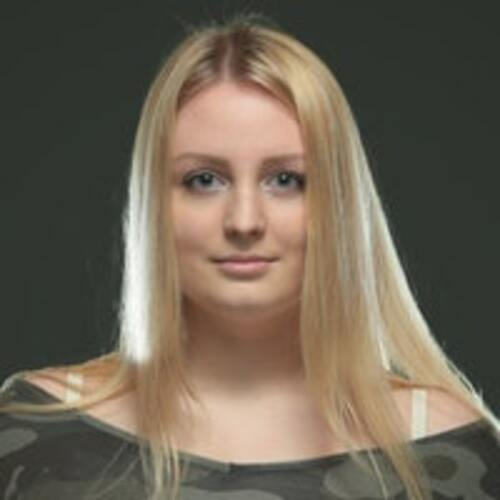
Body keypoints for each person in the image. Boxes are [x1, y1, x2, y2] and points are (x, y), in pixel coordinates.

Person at [1, 13, 499, 500]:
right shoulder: (35, 431)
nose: (244, 221)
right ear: (154, 204)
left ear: (341, 204)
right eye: (204, 180)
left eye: (286, 180)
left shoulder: (453, 451)